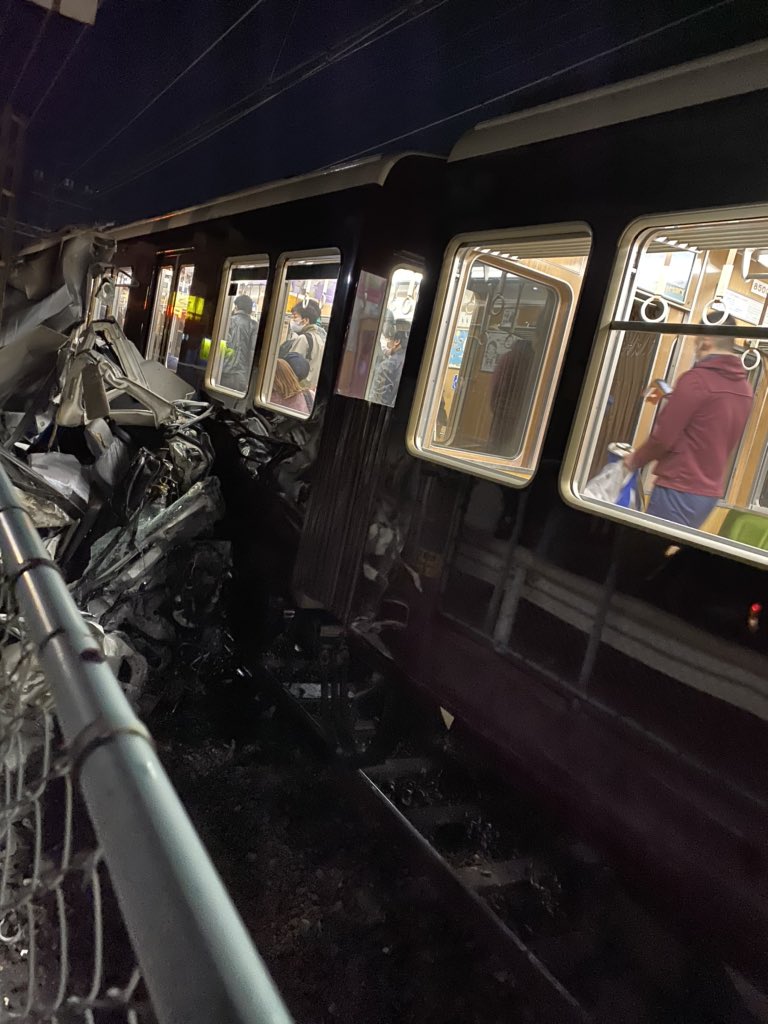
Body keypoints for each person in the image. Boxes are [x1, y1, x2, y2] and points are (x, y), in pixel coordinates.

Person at [624, 315, 753, 529]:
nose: (695, 348)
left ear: (706, 341)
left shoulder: (695, 380)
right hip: (708, 495)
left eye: (696, 341)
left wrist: (635, 459)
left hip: (679, 487)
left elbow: (663, 439)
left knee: (639, 555)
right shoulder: (745, 390)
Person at [279, 297, 326, 388]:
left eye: (295, 317)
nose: (292, 320)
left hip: (299, 386)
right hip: (310, 388)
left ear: (305, 320)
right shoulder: (319, 338)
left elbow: (291, 369)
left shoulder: (303, 339)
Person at [220, 293, 258, 392]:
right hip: (241, 376)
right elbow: (252, 352)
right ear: (250, 309)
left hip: (222, 371)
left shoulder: (226, 321)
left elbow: (219, 347)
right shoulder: (253, 325)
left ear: (236, 306)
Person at [369, 311, 407, 407]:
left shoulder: (388, 365)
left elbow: (377, 402)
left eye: (386, 338)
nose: (384, 341)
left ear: (397, 341)